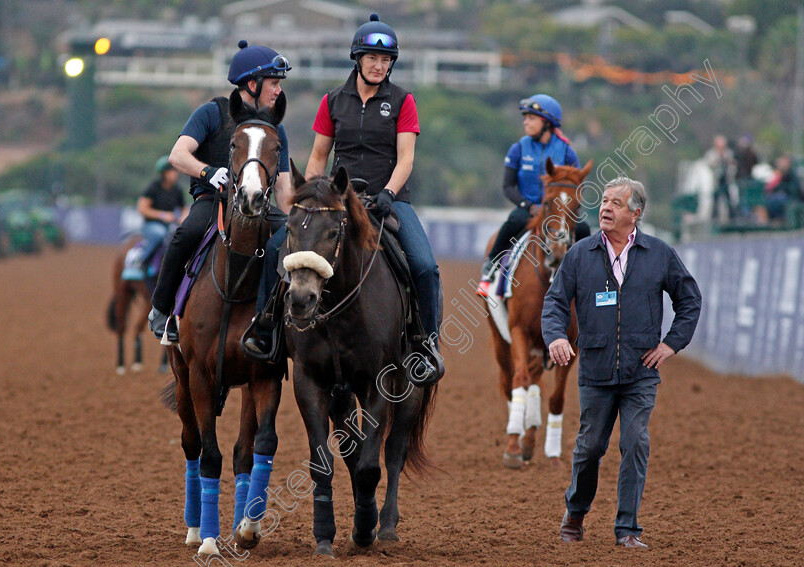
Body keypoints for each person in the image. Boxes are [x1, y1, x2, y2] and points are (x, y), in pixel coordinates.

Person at [542, 177, 701, 549]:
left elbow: (689, 300)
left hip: (641, 372)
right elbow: (554, 302)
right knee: (590, 447)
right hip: (595, 370)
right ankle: (576, 513)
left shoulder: (659, 253)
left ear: (636, 213)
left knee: (635, 442)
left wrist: (670, 344)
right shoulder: (580, 254)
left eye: (616, 203)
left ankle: (627, 529)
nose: (606, 208)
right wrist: (558, 336)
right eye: (604, 201)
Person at [300, 13, 444, 385]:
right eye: (372, 59)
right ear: (357, 60)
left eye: (386, 61)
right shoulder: (332, 101)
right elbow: (318, 157)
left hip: (388, 199)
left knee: (426, 267)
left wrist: (389, 193)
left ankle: (426, 345)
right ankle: (268, 331)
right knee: (279, 250)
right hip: (338, 200)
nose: (380, 66)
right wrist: (314, 195)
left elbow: (406, 157)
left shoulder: (402, 100)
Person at [148, 41, 292, 343]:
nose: (278, 90)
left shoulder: (275, 128)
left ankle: (281, 322)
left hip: (259, 206)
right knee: (185, 235)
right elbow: (178, 155)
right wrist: (208, 172)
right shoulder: (210, 113)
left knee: (294, 242)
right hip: (213, 202)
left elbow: (282, 185)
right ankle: (162, 311)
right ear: (252, 84)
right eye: (274, 83)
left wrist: (297, 220)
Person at [477, 94, 586, 296]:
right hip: (529, 210)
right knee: (512, 221)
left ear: (546, 122)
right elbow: (508, 187)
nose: (525, 122)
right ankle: (490, 268)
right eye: (525, 117)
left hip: (557, 213)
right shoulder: (518, 149)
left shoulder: (567, 152)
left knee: (584, 228)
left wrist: (566, 209)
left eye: (531, 118)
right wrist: (528, 206)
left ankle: (589, 275)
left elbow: (578, 185)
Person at [136, 155, 186, 273]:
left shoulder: (177, 190)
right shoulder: (153, 188)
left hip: (170, 225)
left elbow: (183, 208)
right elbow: (142, 209)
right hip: (151, 225)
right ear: (164, 173)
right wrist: (162, 215)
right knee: (159, 234)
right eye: (172, 171)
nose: (175, 173)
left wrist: (183, 218)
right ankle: (143, 261)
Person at [705, 135, 737, 220]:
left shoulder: (728, 153)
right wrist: (718, 157)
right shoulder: (712, 154)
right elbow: (710, 164)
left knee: (728, 198)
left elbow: (732, 163)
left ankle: (732, 217)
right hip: (716, 180)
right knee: (716, 199)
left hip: (726, 179)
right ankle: (714, 217)